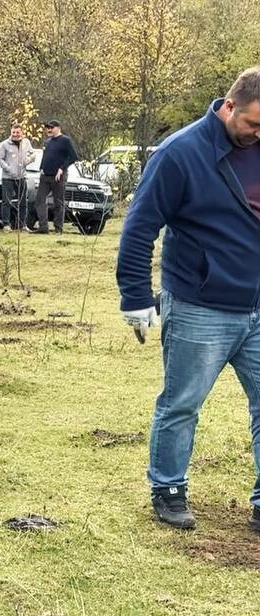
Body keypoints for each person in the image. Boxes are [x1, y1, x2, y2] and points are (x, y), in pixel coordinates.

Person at [116, 66, 260, 532]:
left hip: (257, 305)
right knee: (182, 403)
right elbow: (140, 226)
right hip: (200, 306)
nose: (257, 133)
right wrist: (135, 295)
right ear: (229, 105)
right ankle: (169, 488)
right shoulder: (181, 153)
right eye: (252, 124)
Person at [34, 119, 79, 234]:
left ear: (58, 128)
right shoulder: (48, 142)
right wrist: (41, 169)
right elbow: (46, 156)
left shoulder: (65, 140)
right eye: (47, 128)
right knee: (40, 200)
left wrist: (62, 169)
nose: (49, 130)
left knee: (58, 202)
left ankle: (58, 228)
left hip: (58, 177)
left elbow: (73, 157)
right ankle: (43, 227)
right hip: (45, 176)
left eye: (51, 128)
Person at [0, 125, 36, 231]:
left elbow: (33, 154)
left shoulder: (26, 143)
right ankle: (6, 225)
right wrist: (8, 168)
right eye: (13, 132)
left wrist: (29, 160)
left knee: (23, 201)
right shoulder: (5, 144)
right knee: (7, 201)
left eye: (17, 132)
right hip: (8, 177)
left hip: (21, 177)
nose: (15, 135)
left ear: (22, 133)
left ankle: (22, 225)